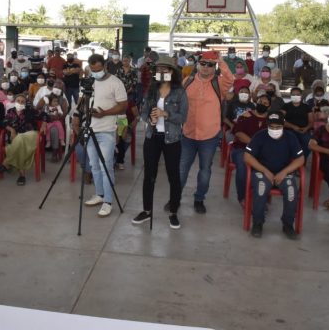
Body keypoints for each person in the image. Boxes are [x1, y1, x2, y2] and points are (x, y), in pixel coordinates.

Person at [132, 56, 188, 229]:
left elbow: (183, 117)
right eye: (158, 70)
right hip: (153, 137)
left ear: (172, 73)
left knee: (173, 176)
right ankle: (147, 210)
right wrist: (150, 119)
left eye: (166, 70)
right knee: (149, 175)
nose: (161, 73)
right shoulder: (151, 90)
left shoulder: (180, 92)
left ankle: (173, 212)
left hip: (172, 139)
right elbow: (143, 113)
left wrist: (166, 115)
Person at [178, 50, 234, 214]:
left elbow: (230, 79)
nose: (206, 68)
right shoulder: (187, 81)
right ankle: (176, 197)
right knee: (182, 169)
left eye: (210, 65)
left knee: (205, 170)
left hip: (209, 136)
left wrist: (221, 61)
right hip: (187, 134)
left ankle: (199, 199)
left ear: (214, 67)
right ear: (197, 64)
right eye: (203, 63)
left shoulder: (219, 83)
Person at [75, 54, 128, 217]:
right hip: (89, 128)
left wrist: (104, 113)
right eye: (92, 70)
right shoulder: (89, 81)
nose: (95, 72)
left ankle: (108, 201)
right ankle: (99, 194)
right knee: (94, 165)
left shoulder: (115, 82)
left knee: (106, 166)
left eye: (98, 69)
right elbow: (82, 101)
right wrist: (77, 118)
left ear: (105, 66)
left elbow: (123, 106)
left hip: (106, 130)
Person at [243, 112, 305, 239]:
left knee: (292, 191)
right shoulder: (260, 136)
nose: (274, 130)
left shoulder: (290, 137)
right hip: (263, 171)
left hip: (283, 172)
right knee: (260, 189)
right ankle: (257, 223)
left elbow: (300, 159)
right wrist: (265, 171)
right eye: (271, 127)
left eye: (278, 127)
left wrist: (285, 172)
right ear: (267, 125)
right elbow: (247, 156)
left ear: (283, 126)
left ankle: (287, 224)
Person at [230, 93, 270, 206]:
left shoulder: (271, 121)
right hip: (242, 149)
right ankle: (243, 197)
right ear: (256, 103)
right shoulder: (246, 116)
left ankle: (262, 199)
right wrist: (255, 144)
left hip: (262, 152)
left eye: (266, 103)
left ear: (269, 107)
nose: (262, 104)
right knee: (243, 167)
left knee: (270, 165)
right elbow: (238, 133)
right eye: (260, 102)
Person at [0, 93, 40, 185]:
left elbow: (45, 115)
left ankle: (6, 163)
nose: (20, 103)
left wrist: (45, 124)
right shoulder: (10, 111)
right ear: (14, 101)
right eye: (18, 101)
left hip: (31, 136)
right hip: (17, 139)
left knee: (20, 137)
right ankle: (22, 175)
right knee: (20, 142)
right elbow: (3, 123)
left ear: (25, 103)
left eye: (23, 101)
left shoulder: (30, 111)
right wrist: (11, 129)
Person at [281, 86, 313, 160]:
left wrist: (306, 128)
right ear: (290, 95)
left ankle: (302, 161)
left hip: (303, 130)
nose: (295, 96)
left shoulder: (306, 107)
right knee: (289, 142)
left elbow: (311, 122)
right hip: (289, 130)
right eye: (293, 94)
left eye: (298, 94)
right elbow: (280, 119)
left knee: (308, 142)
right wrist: (293, 127)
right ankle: (290, 162)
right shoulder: (286, 106)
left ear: (301, 96)